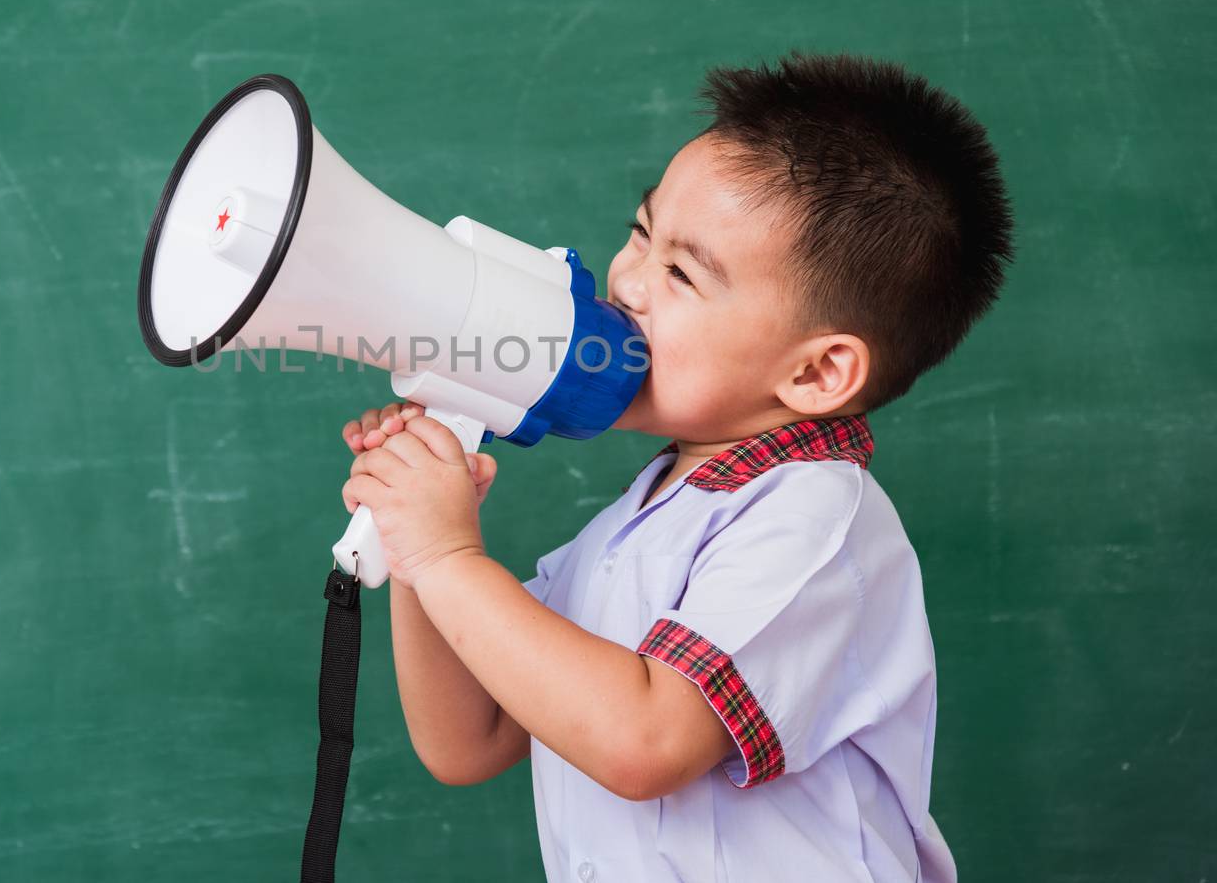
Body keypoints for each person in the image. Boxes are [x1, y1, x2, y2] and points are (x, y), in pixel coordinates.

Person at [338, 51, 1014, 882]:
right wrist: (417, 549)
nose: (626, 282)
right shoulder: (638, 524)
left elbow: (644, 743)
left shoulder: (815, 521)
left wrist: (450, 559)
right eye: (640, 232)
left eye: (682, 273)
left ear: (815, 373)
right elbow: (469, 740)